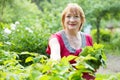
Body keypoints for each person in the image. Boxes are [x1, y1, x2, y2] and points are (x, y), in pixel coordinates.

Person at [46, 3, 95, 80]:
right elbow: (55, 58)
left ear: (81, 20)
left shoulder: (88, 38)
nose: (72, 20)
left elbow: (93, 64)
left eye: (76, 17)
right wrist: (55, 63)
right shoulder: (55, 39)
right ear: (63, 19)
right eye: (68, 16)